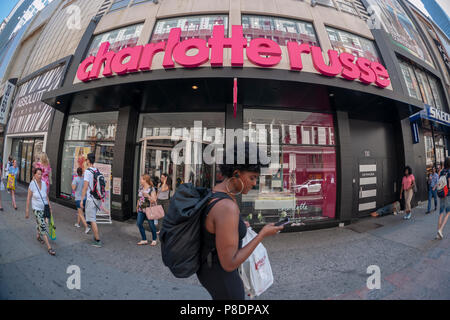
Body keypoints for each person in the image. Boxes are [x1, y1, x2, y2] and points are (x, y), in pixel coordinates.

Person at [196, 142, 283, 300]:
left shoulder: (218, 192)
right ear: (236, 173)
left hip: (209, 270)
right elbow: (230, 263)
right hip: (223, 278)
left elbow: (216, 228)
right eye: (252, 177)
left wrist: (238, 225)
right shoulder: (227, 206)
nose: (254, 183)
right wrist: (262, 234)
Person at [25, 167, 55, 256]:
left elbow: (46, 196)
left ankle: (38, 236)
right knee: (42, 225)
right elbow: (28, 198)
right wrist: (27, 210)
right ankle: (49, 247)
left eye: (41, 174)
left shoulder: (44, 183)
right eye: (38, 174)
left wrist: (49, 206)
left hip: (44, 208)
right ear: (34, 174)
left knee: (41, 223)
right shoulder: (32, 184)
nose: (40, 176)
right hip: (36, 208)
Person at [80, 153, 103, 247]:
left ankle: (97, 240)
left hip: (91, 199)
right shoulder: (96, 170)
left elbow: (85, 187)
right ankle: (95, 236)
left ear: (88, 161)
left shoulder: (87, 172)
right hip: (98, 198)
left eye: (86, 160)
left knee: (92, 220)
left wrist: (81, 200)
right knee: (92, 217)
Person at [136, 174, 158, 246]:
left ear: (145, 180)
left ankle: (154, 239)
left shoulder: (152, 189)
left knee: (151, 225)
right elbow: (139, 198)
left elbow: (154, 200)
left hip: (149, 209)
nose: (140, 180)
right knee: (139, 223)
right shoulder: (140, 188)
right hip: (141, 209)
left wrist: (148, 196)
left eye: (141, 179)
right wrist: (137, 207)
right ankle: (144, 239)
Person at [72, 167, 90, 234]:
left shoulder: (75, 179)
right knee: (80, 211)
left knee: (80, 213)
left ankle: (86, 227)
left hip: (78, 199)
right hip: (84, 198)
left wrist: (74, 185)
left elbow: (73, 188)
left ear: (77, 172)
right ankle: (78, 223)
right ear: (82, 172)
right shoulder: (84, 179)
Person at [437, 157, 450, 240]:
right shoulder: (449, 171)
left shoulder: (442, 171)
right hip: (447, 194)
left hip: (441, 193)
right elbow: (449, 185)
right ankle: (441, 230)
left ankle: (438, 233)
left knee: (441, 212)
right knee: (448, 212)